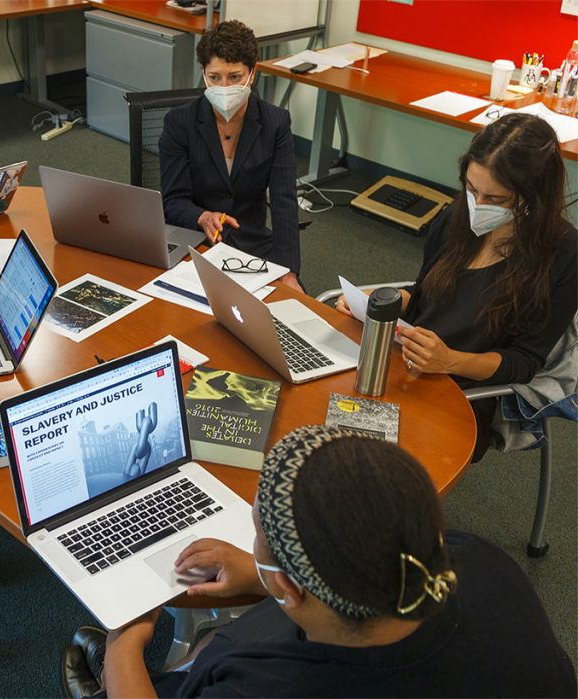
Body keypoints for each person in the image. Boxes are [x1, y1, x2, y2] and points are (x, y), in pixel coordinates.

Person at [62, 425, 577, 698]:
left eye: (258, 531)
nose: (254, 536)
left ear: (292, 588)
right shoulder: (480, 562)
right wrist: (258, 575)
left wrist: (123, 648)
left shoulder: (258, 690)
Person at [334, 113, 577, 458]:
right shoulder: (456, 216)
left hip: (464, 392)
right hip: (405, 361)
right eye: (472, 188)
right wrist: (383, 301)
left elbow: (524, 362)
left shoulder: (562, 254)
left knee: (362, 461)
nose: (478, 205)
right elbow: (424, 294)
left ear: (532, 196)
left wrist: (449, 360)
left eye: (495, 199)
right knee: (322, 416)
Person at [159, 20, 301, 290]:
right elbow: (173, 200)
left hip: (251, 244)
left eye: (234, 77)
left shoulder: (275, 123)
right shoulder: (180, 122)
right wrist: (201, 216)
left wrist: (288, 272)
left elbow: (284, 202)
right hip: (195, 242)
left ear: (253, 72)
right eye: (215, 77)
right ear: (203, 74)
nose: (224, 87)